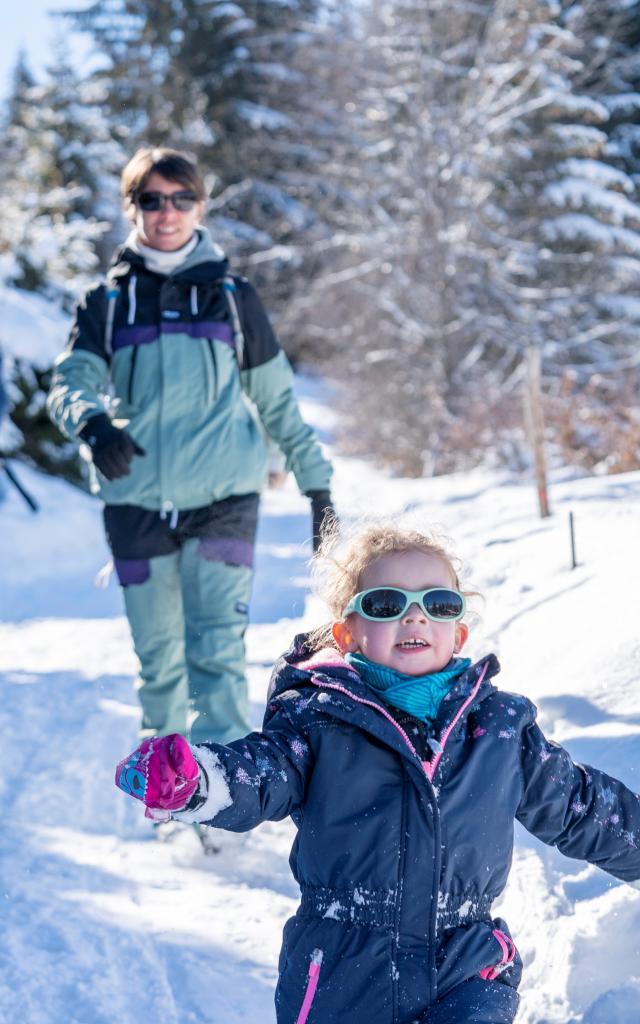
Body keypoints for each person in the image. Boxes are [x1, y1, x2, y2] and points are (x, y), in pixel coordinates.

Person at [115, 520, 640, 1022]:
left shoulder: (499, 732)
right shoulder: (317, 721)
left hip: (465, 968)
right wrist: (197, 779)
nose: (415, 618)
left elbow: (584, 809)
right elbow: (261, 775)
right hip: (344, 972)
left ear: (457, 634)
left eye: (438, 603)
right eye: (387, 604)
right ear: (348, 634)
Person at [48, 147, 333, 748]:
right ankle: (168, 791)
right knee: (159, 664)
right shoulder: (106, 303)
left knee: (218, 657)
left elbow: (276, 401)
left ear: (200, 205)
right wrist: (94, 426)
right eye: (151, 199)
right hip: (135, 505)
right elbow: (69, 384)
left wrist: (318, 485)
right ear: (133, 208)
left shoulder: (233, 298)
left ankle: (221, 807)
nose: (166, 212)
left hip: (224, 499)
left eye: (180, 199)